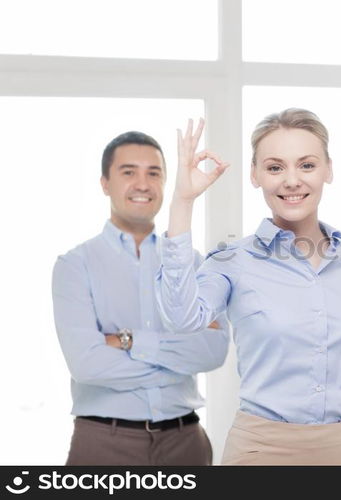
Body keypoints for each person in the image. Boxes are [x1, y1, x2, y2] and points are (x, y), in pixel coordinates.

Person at [156, 109, 341, 465]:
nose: (291, 181)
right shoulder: (232, 261)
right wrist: (182, 202)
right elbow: (180, 319)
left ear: (328, 169)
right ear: (255, 174)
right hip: (259, 451)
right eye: (275, 167)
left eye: (306, 165)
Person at [52, 131, 230, 465]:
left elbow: (213, 351)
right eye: (129, 172)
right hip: (104, 442)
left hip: (185, 442)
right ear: (105, 183)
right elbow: (87, 365)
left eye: (154, 173)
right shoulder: (75, 265)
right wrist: (176, 362)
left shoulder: (190, 262)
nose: (143, 184)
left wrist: (127, 340)